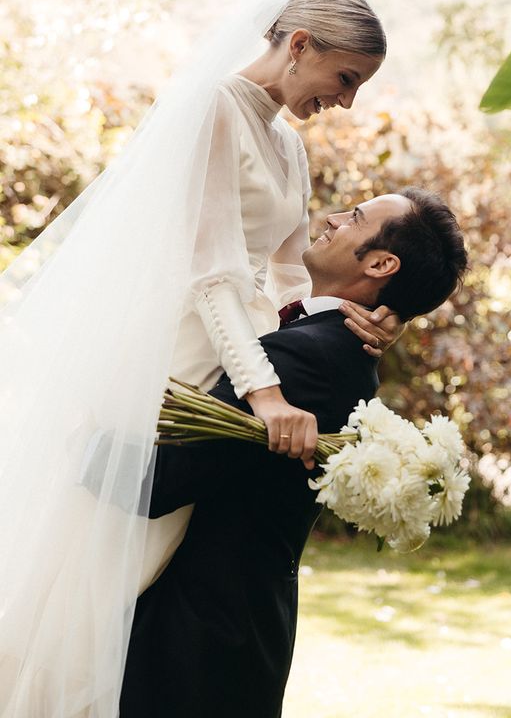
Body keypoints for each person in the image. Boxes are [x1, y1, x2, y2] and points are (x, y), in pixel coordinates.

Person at [0, 0, 397, 717]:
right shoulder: (216, 108)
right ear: (301, 44)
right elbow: (213, 272)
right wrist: (266, 395)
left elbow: (284, 277)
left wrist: (339, 312)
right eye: (346, 79)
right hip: (181, 360)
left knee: (151, 579)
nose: (346, 102)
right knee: (102, 571)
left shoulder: (289, 148)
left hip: (233, 359)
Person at [117, 189, 468, 718]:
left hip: (198, 641)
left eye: (353, 217)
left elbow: (164, 480)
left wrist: (68, 442)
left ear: (379, 263)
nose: (330, 219)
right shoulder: (332, 346)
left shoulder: (309, 357)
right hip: (236, 631)